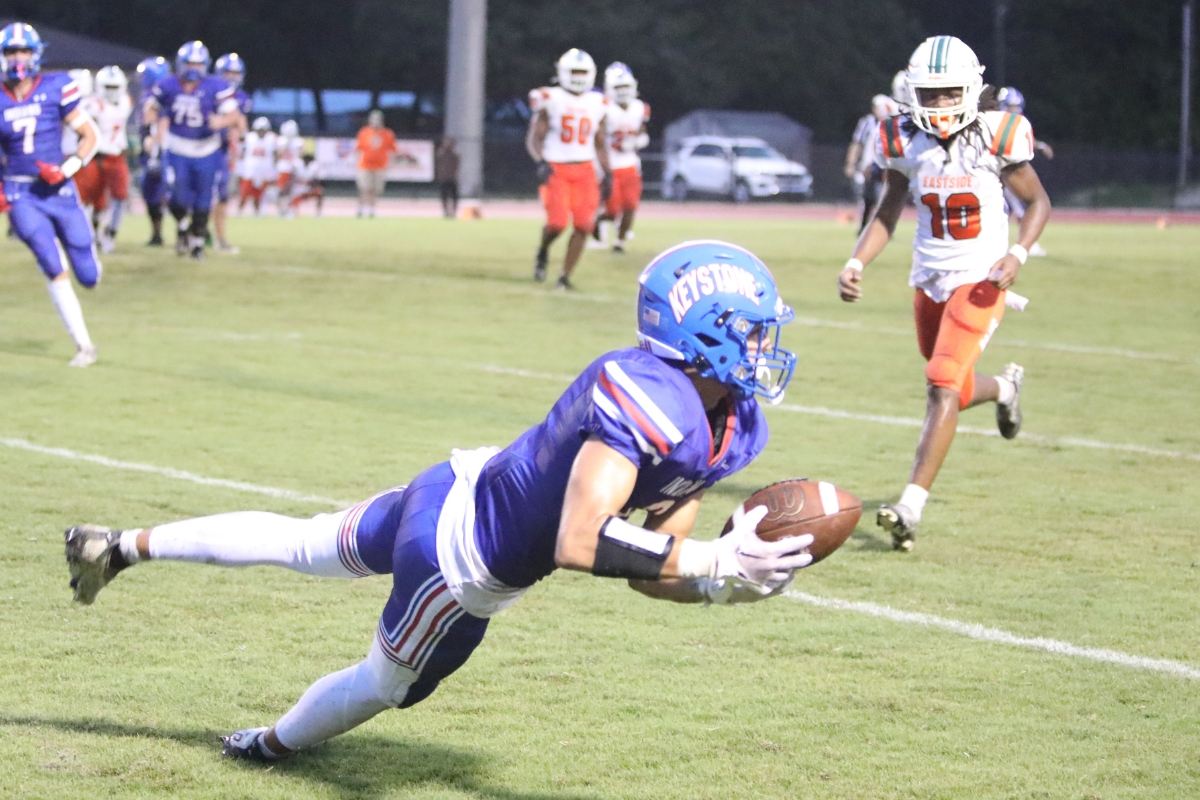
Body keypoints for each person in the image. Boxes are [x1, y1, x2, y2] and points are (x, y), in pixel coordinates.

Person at [64, 239, 813, 762]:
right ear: (702, 334)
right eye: (750, 332)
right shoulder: (651, 394)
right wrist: (715, 558)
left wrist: (721, 586)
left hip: (455, 485)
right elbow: (581, 541)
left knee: (306, 542)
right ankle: (263, 747)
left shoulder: (734, 426)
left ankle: (123, 544)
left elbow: (655, 568)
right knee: (386, 688)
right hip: (459, 563)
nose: (762, 346)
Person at [837, 36, 1051, 551]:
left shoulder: (998, 135)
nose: (937, 105)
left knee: (940, 384)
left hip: (982, 276)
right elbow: (888, 208)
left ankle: (910, 506)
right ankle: (1003, 389)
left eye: (948, 93)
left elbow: (1038, 201)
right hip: (929, 275)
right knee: (949, 382)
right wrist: (855, 260)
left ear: (971, 89)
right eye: (928, 94)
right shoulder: (899, 138)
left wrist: (1017, 255)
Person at [0, 22, 102, 367]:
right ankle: (84, 345)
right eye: (10, 51)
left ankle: (90, 265)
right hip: (20, 192)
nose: (17, 58)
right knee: (49, 260)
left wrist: (67, 169)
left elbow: (90, 136)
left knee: (88, 275)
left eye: (23, 51)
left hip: (58, 188)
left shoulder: (56, 87)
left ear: (35, 53)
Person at [150, 40, 244, 260]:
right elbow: (152, 110)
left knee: (204, 198)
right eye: (190, 63)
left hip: (206, 150)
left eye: (198, 64)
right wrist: (155, 129)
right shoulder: (167, 85)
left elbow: (234, 115)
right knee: (175, 196)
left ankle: (198, 244)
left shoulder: (216, 86)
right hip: (177, 147)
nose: (194, 69)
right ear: (181, 64)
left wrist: (220, 122)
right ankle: (183, 227)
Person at [526, 48, 610, 289]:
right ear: (562, 72)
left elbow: (600, 143)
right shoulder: (550, 98)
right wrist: (540, 161)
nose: (578, 76)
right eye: (573, 71)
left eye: (582, 72)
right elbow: (535, 138)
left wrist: (608, 172)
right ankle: (543, 250)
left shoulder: (598, 102)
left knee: (585, 224)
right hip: (556, 167)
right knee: (557, 223)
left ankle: (564, 276)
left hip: (585, 169)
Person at [588, 62, 649, 253]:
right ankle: (594, 220)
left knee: (631, 206)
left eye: (625, 87)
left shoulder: (640, 108)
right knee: (613, 210)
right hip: (610, 164)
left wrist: (638, 142)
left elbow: (642, 132)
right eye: (618, 87)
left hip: (630, 164)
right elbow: (597, 137)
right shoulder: (604, 108)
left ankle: (619, 242)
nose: (622, 91)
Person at [75, 66, 133, 254]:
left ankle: (110, 235)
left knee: (121, 196)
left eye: (115, 87)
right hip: (95, 156)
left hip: (117, 156)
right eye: (108, 87)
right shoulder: (92, 105)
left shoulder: (126, 101)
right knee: (91, 199)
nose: (112, 92)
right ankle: (92, 235)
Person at [996, 86, 1052, 257]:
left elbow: (1030, 142)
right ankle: (1018, 245)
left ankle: (1022, 244)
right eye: (1010, 107)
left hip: (1009, 172)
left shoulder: (1017, 123)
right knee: (1004, 209)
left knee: (1016, 208)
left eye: (1016, 107)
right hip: (995, 173)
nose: (1014, 111)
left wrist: (1040, 145)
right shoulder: (993, 122)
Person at [211, 53, 251, 254]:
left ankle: (218, 238)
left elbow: (240, 126)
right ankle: (196, 233)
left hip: (222, 152)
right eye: (228, 73)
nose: (232, 77)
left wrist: (238, 138)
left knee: (221, 196)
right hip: (201, 148)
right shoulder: (209, 91)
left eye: (236, 73)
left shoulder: (241, 98)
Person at [845, 94, 898, 235]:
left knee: (885, 198)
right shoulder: (868, 122)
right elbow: (857, 143)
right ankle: (863, 227)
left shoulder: (892, 123)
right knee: (867, 199)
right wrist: (851, 163)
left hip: (887, 165)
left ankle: (883, 229)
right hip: (869, 165)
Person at [134, 57, 171, 246]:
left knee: (168, 193)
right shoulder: (149, 94)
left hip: (160, 149)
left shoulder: (158, 95)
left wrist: (152, 139)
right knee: (151, 192)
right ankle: (157, 234)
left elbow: (154, 119)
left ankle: (185, 231)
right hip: (152, 150)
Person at [354, 109, 396, 218]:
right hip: (365, 165)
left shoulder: (387, 134)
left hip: (380, 166)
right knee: (365, 188)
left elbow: (392, 150)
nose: (375, 122)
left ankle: (372, 209)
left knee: (376, 189)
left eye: (377, 120)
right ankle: (360, 208)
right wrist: (356, 163)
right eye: (373, 120)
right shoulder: (364, 132)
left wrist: (390, 164)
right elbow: (358, 149)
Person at [237, 117, 276, 215]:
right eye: (259, 130)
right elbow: (241, 144)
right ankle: (239, 211)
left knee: (258, 194)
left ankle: (257, 213)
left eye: (263, 130)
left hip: (263, 172)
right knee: (244, 192)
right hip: (250, 170)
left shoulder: (271, 139)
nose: (261, 132)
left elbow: (276, 154)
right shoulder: (250, 137)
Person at [275, 119, 302, 217]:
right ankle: (280, 210)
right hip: (283, 168)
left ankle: (290, 209)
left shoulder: (298, 142)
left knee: (292, 191)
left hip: (293, 168)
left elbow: (299, 155)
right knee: (282, 190)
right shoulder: (281, 141)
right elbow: (278, 155)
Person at [288, 152, 323, 217]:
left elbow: (316, 179)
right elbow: (291, 176)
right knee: (294, 198)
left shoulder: (313, 167)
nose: (307, 162)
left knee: (319, 193)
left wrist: (314, 186)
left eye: (309, 161)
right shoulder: (297, 165)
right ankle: (291, 212)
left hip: (307, 187)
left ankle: (318, 213)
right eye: (306, 160)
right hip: (297, 187)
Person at [434, 135, 460, 218]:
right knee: (444, 196)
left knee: (454, 196)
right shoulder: (440, 155)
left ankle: (453, 212)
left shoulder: (455, 156)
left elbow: (456, 166)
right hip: (444, 179)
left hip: (452, 179)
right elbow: (437, 165)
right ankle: (446, 212)